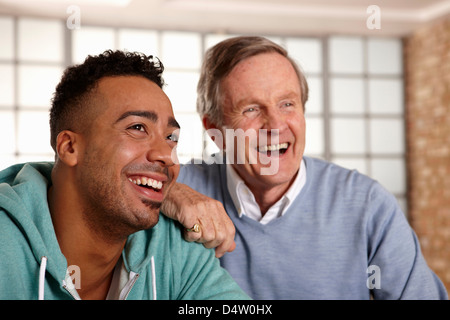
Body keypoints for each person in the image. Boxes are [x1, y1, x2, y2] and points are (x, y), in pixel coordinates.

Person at [164, 36, 448, 299]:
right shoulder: (177, 187)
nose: (275, 125)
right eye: (251, 109)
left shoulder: (367, 204)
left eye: (287, 104)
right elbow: (120, 184)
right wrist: (167, 193)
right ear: (214, 131)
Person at [0, 50, 250, 300]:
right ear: (69, 147)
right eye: (138, 128)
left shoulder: (176, 249)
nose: (166, 155)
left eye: (171, 137)